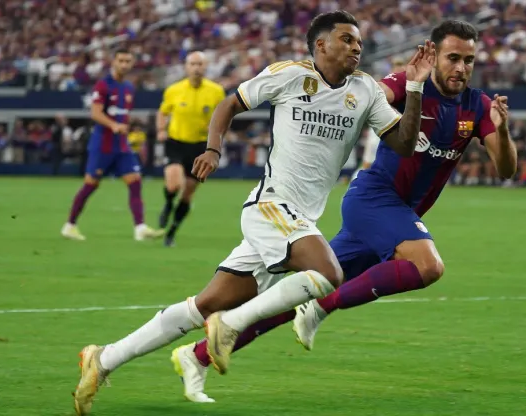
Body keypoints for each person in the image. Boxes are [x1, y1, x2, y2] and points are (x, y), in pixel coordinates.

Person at [72, 10, 431, 414]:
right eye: (347, 39)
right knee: (329, 274)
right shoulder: (289, 75)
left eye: (359, 42)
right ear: (321, 45)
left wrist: (415, 86)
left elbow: (404, 144)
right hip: (271, 206)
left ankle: (104, 358)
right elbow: (229, 104)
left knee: (203, 306)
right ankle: (230, 326)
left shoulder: (364, 90)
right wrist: (213, 148)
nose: (356, 47)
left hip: (298, 219)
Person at [170, 19, 518, 403]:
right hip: (373, 199)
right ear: (433, 55)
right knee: (428, 266)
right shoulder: (405, 83)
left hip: (396, 214)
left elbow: (506, 169)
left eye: (469, 60)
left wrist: (501, 131)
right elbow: (365, 96)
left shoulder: (478, 106)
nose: (461, 68)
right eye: (453, 58)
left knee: (300, 293)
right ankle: (319, 308)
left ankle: (196, 356)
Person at [60, 49, 164, 242]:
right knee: (91, 184)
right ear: (113, 62)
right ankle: (70, 225)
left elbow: (122, 114)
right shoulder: (103, 85)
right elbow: (95, 113)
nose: (124, 65)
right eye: (121, 60)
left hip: (121, 145)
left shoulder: (128, 87)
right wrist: (113, 125)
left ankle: (140, 228)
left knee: (135, 181)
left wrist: (126, 125)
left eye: (128, 61)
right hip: (103, 145)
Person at [156, 51, 226, 247]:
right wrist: (161, 129)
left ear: (206, 67)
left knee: (188, 192)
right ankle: (168, 204)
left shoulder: (216, 91)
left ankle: (172, 232)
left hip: (200, 146)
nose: (196, 68)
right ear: (186, 67)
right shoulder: (174, 90)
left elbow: (222, 116)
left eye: (200, 64)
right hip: (176, 142)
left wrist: (216, 133)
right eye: (193, 64)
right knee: (173, 184)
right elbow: (162, 112)